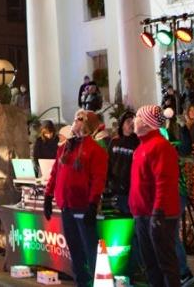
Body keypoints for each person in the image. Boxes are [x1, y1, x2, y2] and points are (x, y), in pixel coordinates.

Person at [43, 110, 108, 287]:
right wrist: (48, 196)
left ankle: (97, 283)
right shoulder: (65, 148)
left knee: (89, 249)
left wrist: (93, 203)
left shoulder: (95, 150)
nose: (75, 122)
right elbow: (55, 172)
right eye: (75, 118)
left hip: (83, 207)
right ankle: (82, 282)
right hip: (67, 206)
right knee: (75, 250)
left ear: (88, 125)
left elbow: (98, 179)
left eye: (80, 119)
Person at [130, 105, 181, 287]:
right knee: (150, 263)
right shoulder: (141, 147)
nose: (134, 120)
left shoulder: (160, 147)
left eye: (137, 116)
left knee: (165, 263)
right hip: (143, 213)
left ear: (146, 122)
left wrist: (158, 210)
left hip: (158, 214)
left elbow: (164, 181)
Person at [107, 110, 138, 213]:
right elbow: (109, 162)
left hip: (131, 189)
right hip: (115, 188)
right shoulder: (114, 141)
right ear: (122, 124)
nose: (132, 124)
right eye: (128, 121)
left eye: (133, 121)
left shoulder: (138, 142)